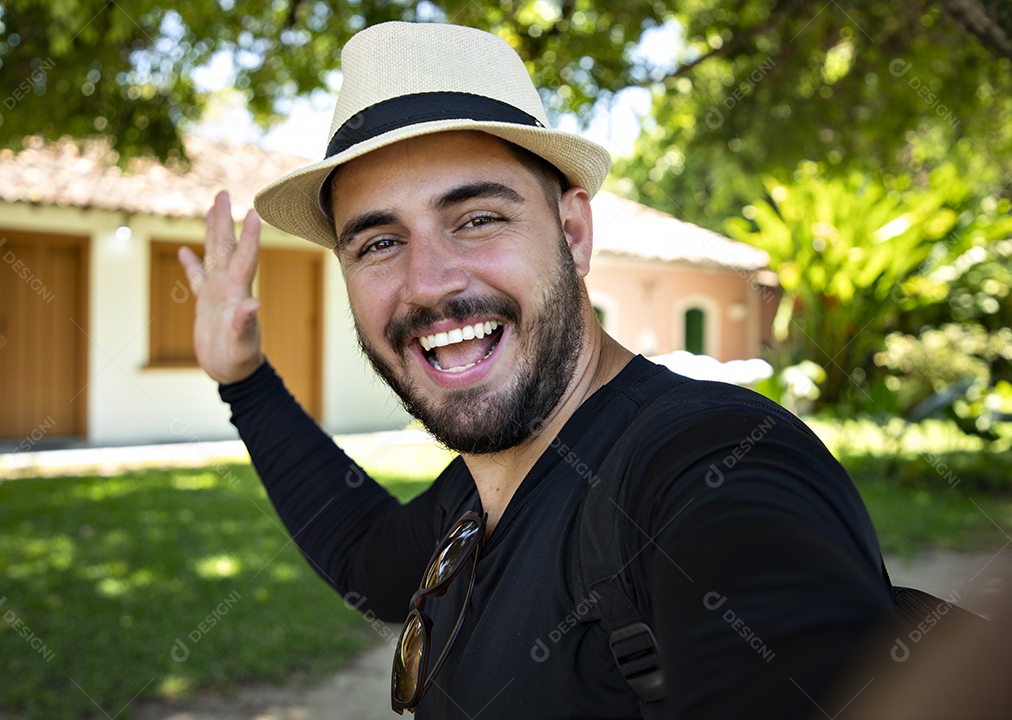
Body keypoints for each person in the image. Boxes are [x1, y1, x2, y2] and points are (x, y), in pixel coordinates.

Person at [179, 21, 898, 719]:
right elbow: (368, 563)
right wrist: (243, 379)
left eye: (477, 218)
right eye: (378, 243)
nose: (427, 283)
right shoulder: (474, 495)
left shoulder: (710, 461)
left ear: (573, 233)